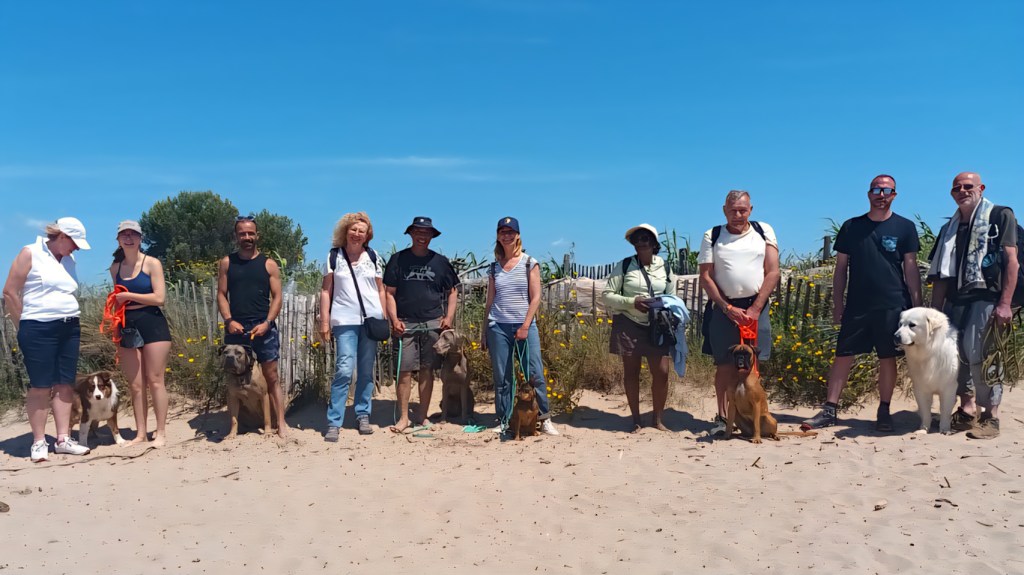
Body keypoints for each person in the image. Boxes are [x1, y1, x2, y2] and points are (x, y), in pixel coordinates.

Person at [802, 175, 922, 431]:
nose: (881, 194)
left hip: (893, 304)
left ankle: (884, 411)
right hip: (857, 304)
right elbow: (840, 269)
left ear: (894, 195)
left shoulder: (905, 227)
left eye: (887, 190)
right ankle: (829, 409)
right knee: (843, 355)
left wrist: (917, 306)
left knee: (887, 357)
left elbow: (910, 267)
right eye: (876, 190)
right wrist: (837, 305)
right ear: (869, 194)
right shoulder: (851, 227)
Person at [928, 171, 1018, 439]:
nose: (962, 191)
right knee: (955, 358)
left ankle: (991, 416)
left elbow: (1011, 261)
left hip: (986, 297)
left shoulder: (1000, 216)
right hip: (955, 301)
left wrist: (1005, 304)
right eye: (957, 187)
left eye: (968, 186)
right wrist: (934, 313)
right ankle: (967, 410)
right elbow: (940, 275)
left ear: (981, 188)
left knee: (985, 356)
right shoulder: (949, 229)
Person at [3, 217, 93, 461]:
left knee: (65, 384)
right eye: (74, 242)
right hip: (37, 328)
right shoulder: (30, 252)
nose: (76, 248)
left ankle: (63, 439)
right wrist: (24, 326)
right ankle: (39, 441)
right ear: (62, 236)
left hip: (69, 327)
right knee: (41, 385)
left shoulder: (69, 260)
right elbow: (10, 291)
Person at [698, 190, 780, 437]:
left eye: (742, 210)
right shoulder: (712, 235)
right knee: (724, 364)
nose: (737, 215)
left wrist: (755, 308)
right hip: (724, 307)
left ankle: (754, 417)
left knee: (754, 363)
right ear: (724, 210)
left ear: (751, 210)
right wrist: (727, 308)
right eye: (732, 210)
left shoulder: (764, 230)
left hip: (757, 305)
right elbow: (705, 275)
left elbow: (773, 271)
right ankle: (724, 417)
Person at [383, 216, 460, 433]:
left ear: (431, 236)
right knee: (404, 371)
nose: (422, 236)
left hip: (433, 323)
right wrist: (394, 319)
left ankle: (423, 416)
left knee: (427, 370)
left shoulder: (440, 262)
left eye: (426, 233)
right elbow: (389, 293)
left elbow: (452, 291)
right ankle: (404, 418)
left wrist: (449, 317)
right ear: (411, 234)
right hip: (405, 323)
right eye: (418, 232)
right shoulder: (398, 260)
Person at [216, 215, 289, 437]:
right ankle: (235, 426)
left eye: (250, 233)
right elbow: (221, 294)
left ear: (257, 235)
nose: (247, 237)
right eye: (242, 234)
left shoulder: (269, 264)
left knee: (271, 376)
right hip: (236, 326)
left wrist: (268, 322)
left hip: (263, 326)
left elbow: (277, 297)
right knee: (233, 376)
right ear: (236, 236)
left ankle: (281, 424)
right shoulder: (227, 263)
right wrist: (229, 321)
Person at [484, 216, 559, 436]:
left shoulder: (529, 262)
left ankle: (543, 418)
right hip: (498, 325)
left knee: (534, 372)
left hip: (524, 324)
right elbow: (489, 301)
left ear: (518, 235)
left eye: (510, 232)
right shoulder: (494, 268)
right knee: (502, 376)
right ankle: (504, 419)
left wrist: (526, 325)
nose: (506, 235)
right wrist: (483, 331)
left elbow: (535, 297)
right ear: (498, 236)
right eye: (502, 232)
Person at [317, 212, 386, 441]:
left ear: (368, 235)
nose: (357, 234)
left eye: (362, 231)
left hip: (370, 320)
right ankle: (334, 421)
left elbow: (381, 289)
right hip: (344, 320)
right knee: (344, 370)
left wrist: (384, 316)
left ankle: (362, 414)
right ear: (346, 231)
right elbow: (326, 290)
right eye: (354, 229)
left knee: (366, 370)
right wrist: (324, 320)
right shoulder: (334, 256)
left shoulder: (374, 256)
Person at [602, 223, 677, 432]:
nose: (641, 242)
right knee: (631, 372)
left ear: (654, 243)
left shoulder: (666, 268)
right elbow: (607, 295)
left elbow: (673, 296)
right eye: (637, 239)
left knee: (662, 372)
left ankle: (658, 419)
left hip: (657, 325)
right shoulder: (625, 266)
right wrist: (632, 302)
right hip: (629, 323)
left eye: (645, 238)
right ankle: (636, 419)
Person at [108, 220, 173, 446]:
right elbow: (116, 302)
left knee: (155, 380)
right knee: (136, 384)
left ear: (140, 238)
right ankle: (140, 434)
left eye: (133, 234)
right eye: (124, 234)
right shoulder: (114, 268)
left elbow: (160, 298)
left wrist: (129, 297)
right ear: (118, 239)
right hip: (126, 323)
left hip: (152, 321)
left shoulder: (152, 263)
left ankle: (161, 432)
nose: (128, 238)